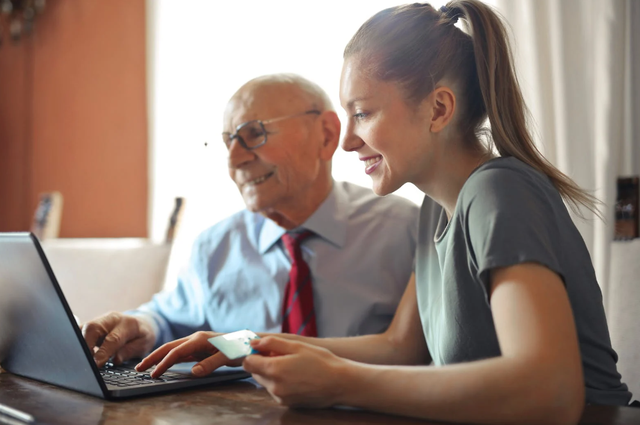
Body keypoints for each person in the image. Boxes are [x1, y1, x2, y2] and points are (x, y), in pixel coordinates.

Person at [136, 2, 632, 424]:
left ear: (438, 110)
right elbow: (401, 347)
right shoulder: (435, 211)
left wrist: (339, 383)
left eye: (363, 113)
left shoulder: (499, 192)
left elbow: (551, 391)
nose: (348, 141)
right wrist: (243, 345)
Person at [81, 74, 420, 369]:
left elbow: (419, 353)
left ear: (327, 135)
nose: (234, 160)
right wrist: (142, 326)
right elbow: (169, 318)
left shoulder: (405, 231)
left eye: (253, 134)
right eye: (229, 141)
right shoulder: (215, 246)